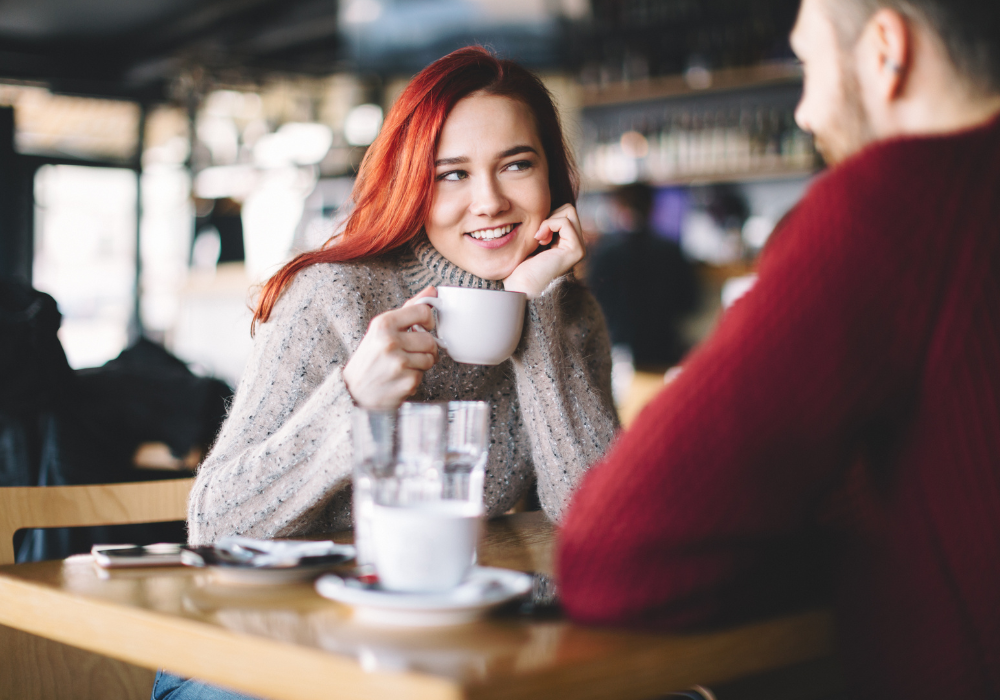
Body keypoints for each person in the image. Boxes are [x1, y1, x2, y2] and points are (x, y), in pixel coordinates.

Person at [558, 1, 1000, 699]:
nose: (802, 111)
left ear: (888, 52)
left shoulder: (894, 203)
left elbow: (614, 556)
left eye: (808, 63)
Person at [187, 46, 617, 544]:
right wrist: (354, 402)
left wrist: (534, 310)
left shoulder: (569, 314)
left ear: (550, 176)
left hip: (479, 606)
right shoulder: (333, 298)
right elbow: (213, 524)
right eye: (453, 174)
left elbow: (606, 519)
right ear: (414, 184)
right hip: (318, 610)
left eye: (516, 165)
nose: (490, 202)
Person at [587, 183, 699, 370]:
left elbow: (593, 303)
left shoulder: (605, 251)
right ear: (651, 206)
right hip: (664, 347)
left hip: (618, 349)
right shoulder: (671, 250)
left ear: (618, 207)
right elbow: (689, 302)